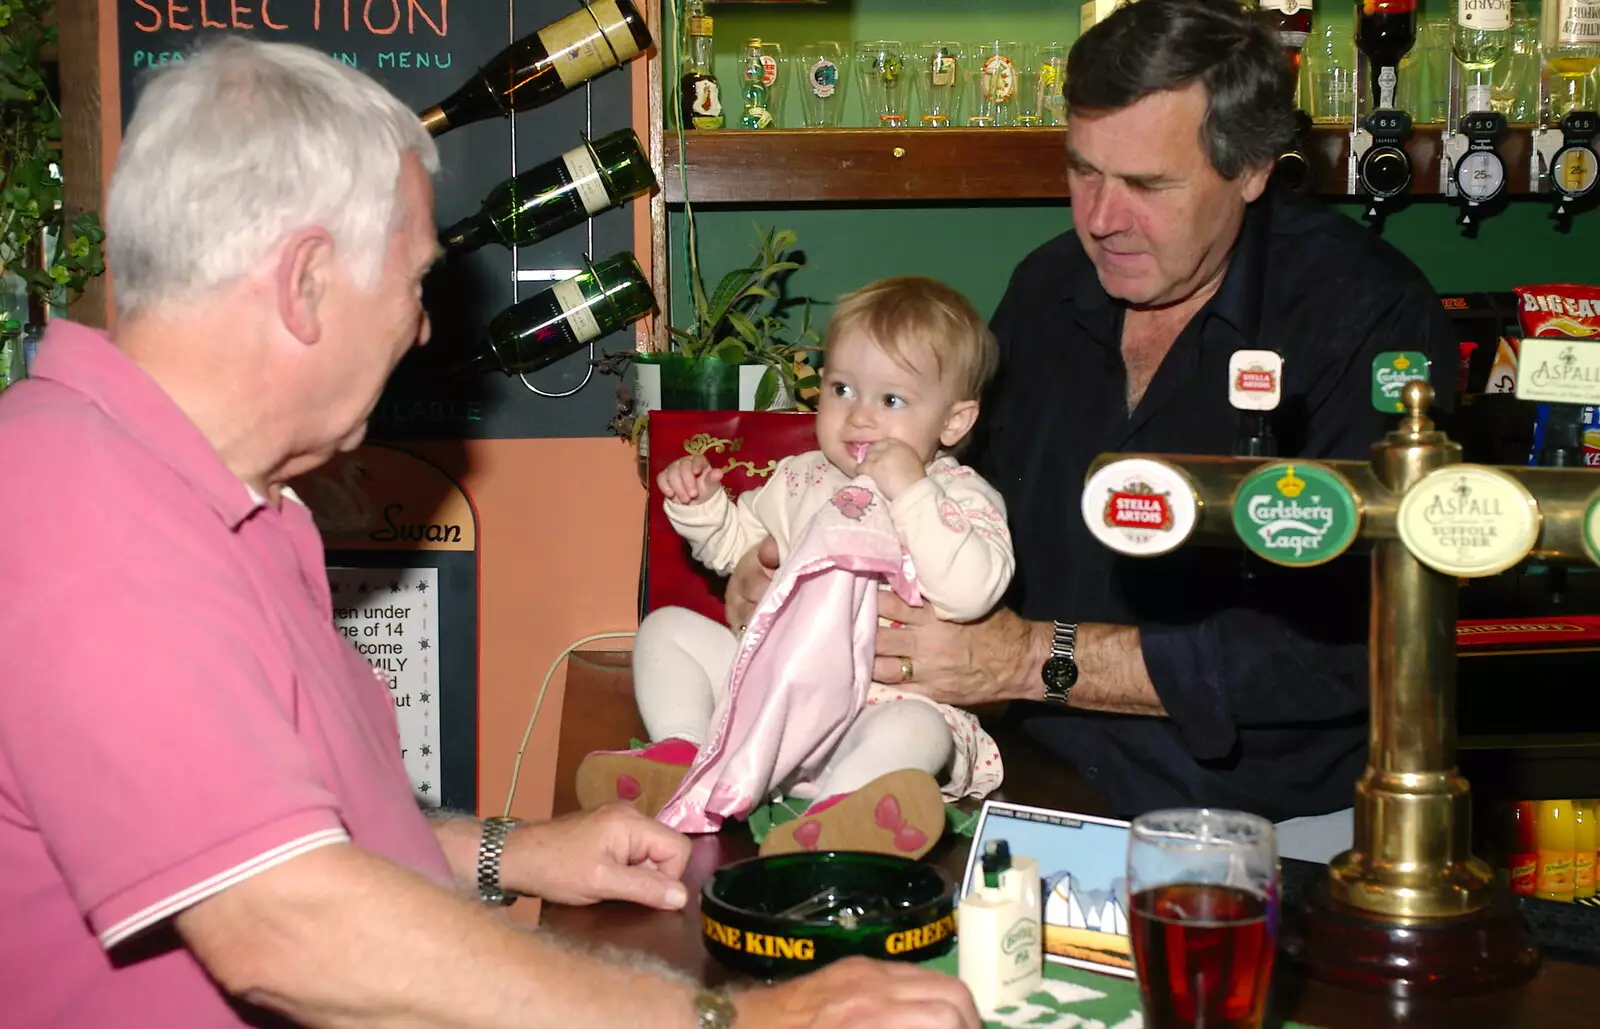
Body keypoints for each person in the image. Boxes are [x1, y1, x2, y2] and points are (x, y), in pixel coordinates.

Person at [0, 40, 980, 1029]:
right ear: (305, 284)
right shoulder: (81, 512)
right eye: (416, 282)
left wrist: (511, 851)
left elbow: (286, 835)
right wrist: (742, 1022)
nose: (422, 328)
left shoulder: (222, 495)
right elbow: (285, 927)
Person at [727, 0, 1459, 859]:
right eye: (1083, 171)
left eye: (1148, 185)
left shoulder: (1364, 315)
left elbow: (1346, 643)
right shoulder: (1046, 289)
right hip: (1028, 790)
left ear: (1252, 168)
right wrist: (789, 572)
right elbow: (949, 505)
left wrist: (1032, 658)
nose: (1102, 217)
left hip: (1270, 829)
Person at [578, 278, 1013, 859]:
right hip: (770, 695)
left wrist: (910, 491)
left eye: (891, 400)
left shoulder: (957, 498)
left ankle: (840, 813)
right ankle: (683, 753)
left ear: (954, 423)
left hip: (877, 708)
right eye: (842, 388)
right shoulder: (802, 477)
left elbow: (968, 593)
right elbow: (740, 553)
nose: (859, 417)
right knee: (666, 630)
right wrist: (702, 508)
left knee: (921, 732)